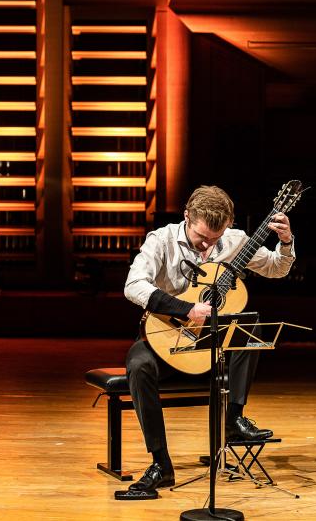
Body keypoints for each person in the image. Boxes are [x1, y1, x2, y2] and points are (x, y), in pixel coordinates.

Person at [117, 185, 296, 500]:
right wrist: (187, 309)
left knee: (248, 326)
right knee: (138, 365)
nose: (207, 246)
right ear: (187, 216)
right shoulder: (162, 241)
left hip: (213, 347)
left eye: (215, 240)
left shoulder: (235, 240)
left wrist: (285, 241)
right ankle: (161, 463)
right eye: (202, 238)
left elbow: (276, 269)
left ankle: (234, 420)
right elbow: (134, 287)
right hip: (168, 336)